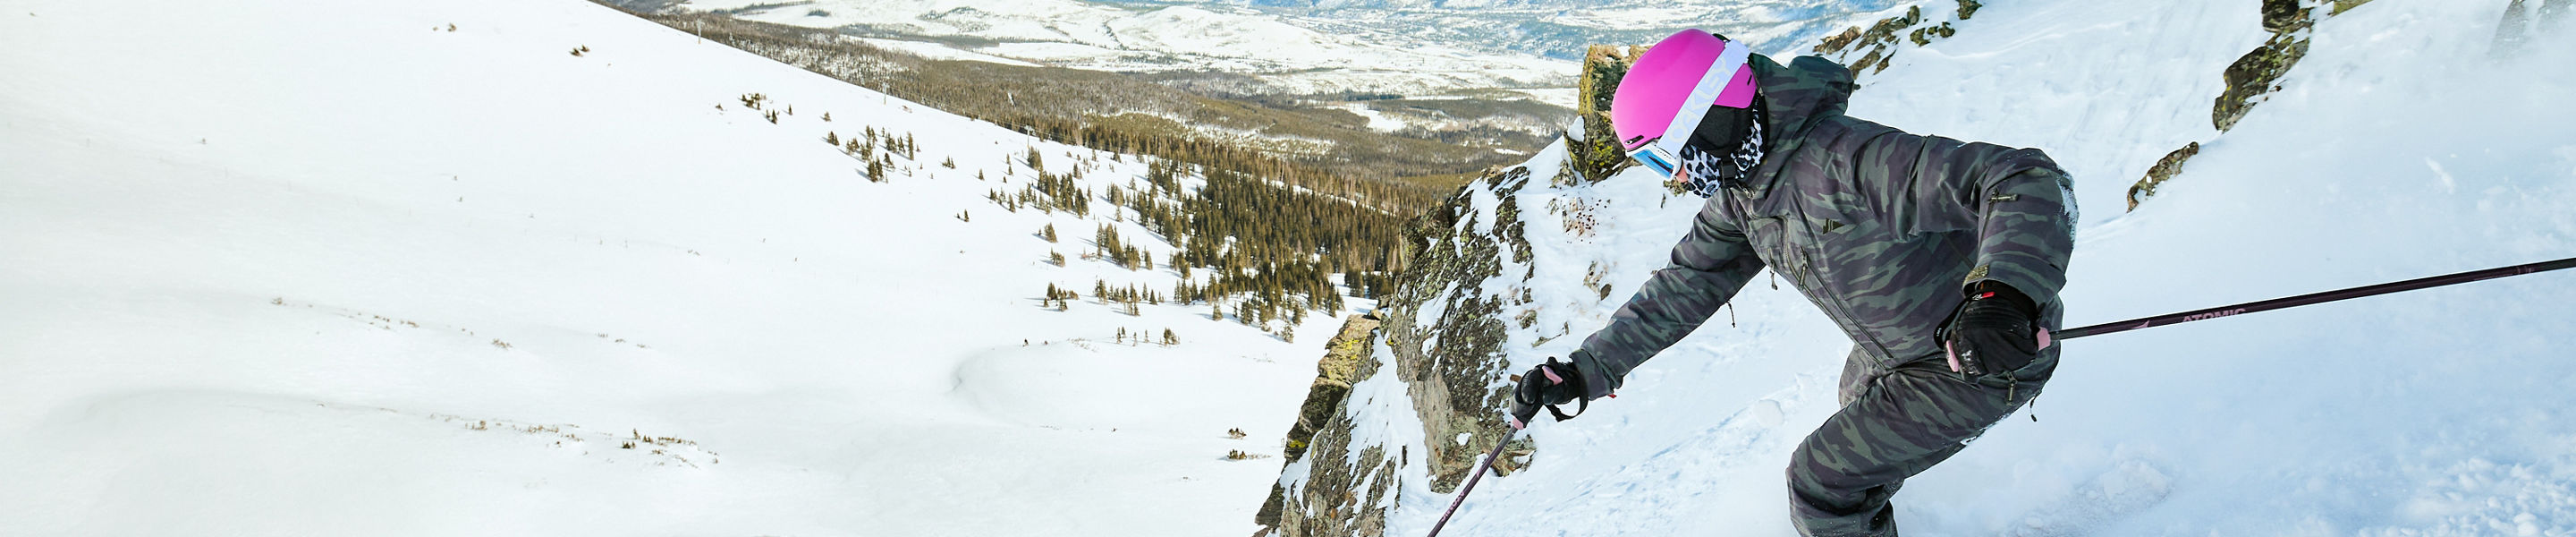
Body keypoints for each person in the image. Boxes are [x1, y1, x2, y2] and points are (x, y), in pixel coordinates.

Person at [1507, 30, 2077, 536]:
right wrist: (1586, 371)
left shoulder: (1843, 160)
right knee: (1852, 411)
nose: (1677, 179)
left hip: (1987, 350)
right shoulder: (1745, 193)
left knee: (1820, 480)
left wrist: (2005, 297)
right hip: (1904, 352)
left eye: (1666, 158)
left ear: (1712, 119)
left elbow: (2023, 179)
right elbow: (1686, 284)